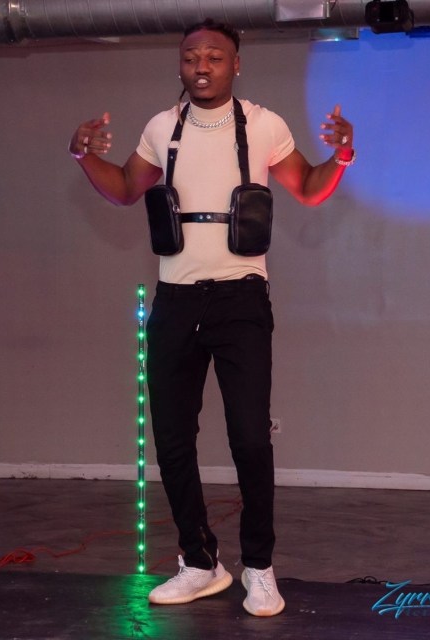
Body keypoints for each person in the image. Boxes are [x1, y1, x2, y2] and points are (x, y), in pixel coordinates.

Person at [68, 18, 354, 617]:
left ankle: (259, 568)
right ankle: (200, 563)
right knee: (172, 439)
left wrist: (342, 155)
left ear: (235, 65)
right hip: (175, 301)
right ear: (181, 64)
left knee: (250, 437)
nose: (201, 65)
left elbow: (308, 187)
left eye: (214, 56)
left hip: (240, 299)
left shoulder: (264, 124)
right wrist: (82, 155)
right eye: (191, 56)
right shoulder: (161, 128)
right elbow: (124, 189)